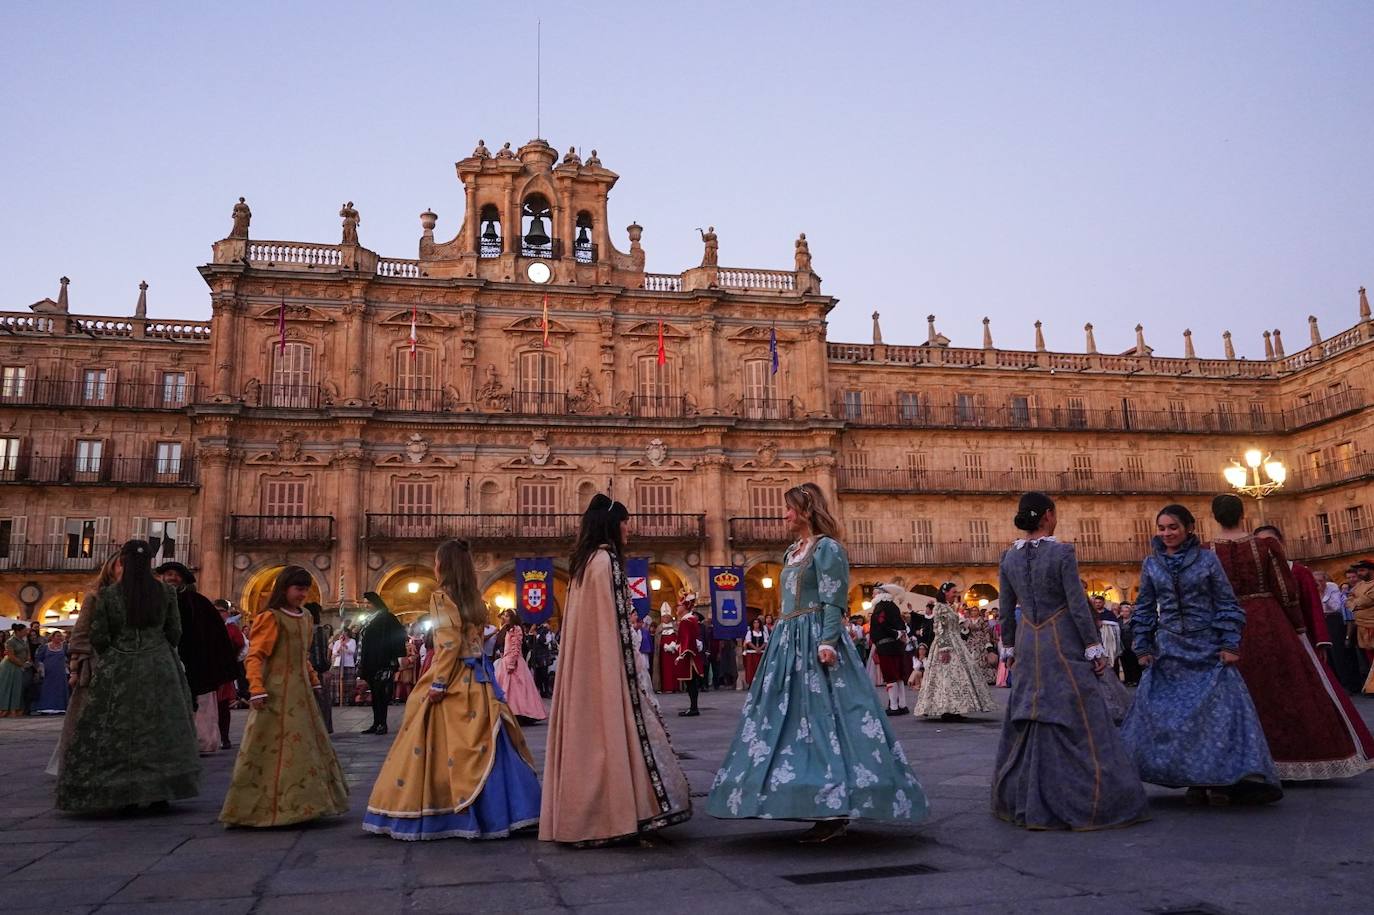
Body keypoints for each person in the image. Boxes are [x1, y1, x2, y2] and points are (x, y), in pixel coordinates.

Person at [708, 483, 928, 843]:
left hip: (814, 639)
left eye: (790, 509)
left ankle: (836, 801)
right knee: (787, 719)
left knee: (830, 719)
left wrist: (827, 641)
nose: (785, 515)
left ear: (807, 511)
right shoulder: (792, 551)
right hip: (787, 642)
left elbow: (833, 600)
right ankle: (802, 794)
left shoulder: (828, 549)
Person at [540, 494, 692, 845]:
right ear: (611, 524)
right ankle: (622, 814)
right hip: (608, 669)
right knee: (614, 734)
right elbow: (619, 626)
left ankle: (592, 815)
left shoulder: (584, 564)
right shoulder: (605, 562)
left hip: (588, 672)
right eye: (624, 521)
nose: (629, 528)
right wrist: (629, 671)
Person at [992, 492, 1148, 831]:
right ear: (1048, 516)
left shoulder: (1008, 558)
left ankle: (1025, 793)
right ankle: (1085, 798)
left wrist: (1008, 646)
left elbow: (1005, 610)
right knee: (1078, 713)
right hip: (1060, 641)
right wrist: (1093, 647)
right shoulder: (1062, 553)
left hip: (1028, 642)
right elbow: (1077, 605)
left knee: (1031, 712)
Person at [364, 540, 541, 840]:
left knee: (439, 742)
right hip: (480, 678)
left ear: (443, 565)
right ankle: (510, 809)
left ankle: (446, 808)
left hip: (455, 675)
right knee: (489, 741)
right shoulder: (475, 599)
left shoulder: (442, 597)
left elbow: (447, 643)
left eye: (436, 561)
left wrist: (438, 683)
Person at [1119, 505, 1281, 806]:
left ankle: (1219, 780)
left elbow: (1226, 602)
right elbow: (1144, 607)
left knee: (1215, 717)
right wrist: (1142, 646)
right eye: (1162, 528)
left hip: (1207, 647)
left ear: (1189, 528)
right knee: (1175, 718)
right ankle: (1191, 779)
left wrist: (1230, 644)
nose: (1167, 533)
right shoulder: (1152, 564)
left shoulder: (1208, 560)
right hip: (1170, 651)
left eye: (1173, 527)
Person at [1209, 499, 1373, 780]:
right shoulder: (1266, 547)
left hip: (1226, 624)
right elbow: (1286, 592)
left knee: (1239, 689)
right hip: (1267, 620)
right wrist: (1297, 628)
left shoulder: (1207, 552)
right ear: (1243, 515)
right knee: (1285, 687)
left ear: (1214, 517)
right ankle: (1295, 757)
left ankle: (1237, 759)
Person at [57, 540, 201, 813]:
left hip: (118, 666)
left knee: (116, 729)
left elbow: (99, 635)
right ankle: (161, 792)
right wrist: (157, 647)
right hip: (159, 665)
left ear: (123, 561)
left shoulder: (109, 595)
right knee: (161, 727)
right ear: (149, 563)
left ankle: (119, 790)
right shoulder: (166, 593)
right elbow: (175, 632)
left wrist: (114, 654)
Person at [220, 566, 348, 827]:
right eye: (298, 589)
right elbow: (256, 656)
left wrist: (313, 681)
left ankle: (306, 803)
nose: (302, 594)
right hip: (276, 692)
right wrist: (256, 688)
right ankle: (266, 806)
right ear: (285, 589)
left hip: (301, 694)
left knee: (304, 747)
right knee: (274, 746)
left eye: (305, 589)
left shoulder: (305, 618)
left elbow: (304, 656)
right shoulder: (271, 618)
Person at [157, 561, 239, 755]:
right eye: (168, 574)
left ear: (184, 579)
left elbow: (217, 635)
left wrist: (222, 667)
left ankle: (202, 743)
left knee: (201, 705)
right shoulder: (155, 601)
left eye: (176, 575)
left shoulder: (199, 603)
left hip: (197, 663)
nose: (172, 578)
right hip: (164, 661)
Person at [913, 583, 996, 720]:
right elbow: (939, 629)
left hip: (956, 642)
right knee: (947, 676)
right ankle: (948, 709)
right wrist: (944, 648)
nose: (955, 595)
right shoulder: (939, 607)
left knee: (957, 675)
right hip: (946, 644)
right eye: (953, 592)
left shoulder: (948, 607)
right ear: (945, 592)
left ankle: (955, 708)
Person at [358, 593, 408, 735]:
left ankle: (382, 724)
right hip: (371, 661)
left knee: (382, 693)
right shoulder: (370, 620)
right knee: (374, 693)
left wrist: (397, 657)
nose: (366, 606)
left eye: (368, 603)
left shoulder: (387, 618)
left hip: (382, 661)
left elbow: (399, 635)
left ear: (376, 603)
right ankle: (376, 722)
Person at [494, 609, 547, 723]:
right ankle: (510, 712)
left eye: (507, 616)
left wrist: (512, 663)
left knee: (517, 688)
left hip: (514, 662)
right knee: (508, 688)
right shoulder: (508, 629)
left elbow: (516, 647)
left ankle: (521, 712)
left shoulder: (516, 629)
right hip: (506, 660)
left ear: (513, 617)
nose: (505, 618)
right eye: (505, 616)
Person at [1315, 569, 1360, 692]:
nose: (1318, 583)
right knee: (1328, 654)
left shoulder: (1332, 588)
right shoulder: (1312, 590)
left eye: (1320, 581)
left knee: (1339, 653)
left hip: (1334, 620)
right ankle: (1337, 684)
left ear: (1325, 580)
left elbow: (1336, 607)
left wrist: (1323, 594)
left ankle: (1349, 684)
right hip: (1322, 621)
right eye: (1316, 581)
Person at [869, 597, 912, 716]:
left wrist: (895, 633)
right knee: (898, 675)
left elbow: (881, 624)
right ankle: (902, 705)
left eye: (875, 592)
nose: (873, 595)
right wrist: (899, 634)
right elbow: (902, 625)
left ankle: (893, 706)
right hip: (896, 646)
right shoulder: (894, 607)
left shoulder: (881, 608)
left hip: (885, 646)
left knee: (890, 676)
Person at [216, 601, 247, 748]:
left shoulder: (231, 628)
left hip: (224, 671)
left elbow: (240, 643)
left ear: (227, 612)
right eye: (216, 610)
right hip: (207, 671)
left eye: (221, 611)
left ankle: (224, 737)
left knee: (222, 706)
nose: (218, 613)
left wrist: (230, 655)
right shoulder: (206, 626)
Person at [305, 602, 334, 735]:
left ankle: (316, 727)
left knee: (314, 700)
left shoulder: (310, 631)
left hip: (312, 670)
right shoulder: (323, 630)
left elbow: (315, 653)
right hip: (320, 669)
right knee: (323, 701)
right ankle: (325, 726)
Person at [675, 593, 706, 716]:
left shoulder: (686, 621)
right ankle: (693, 707)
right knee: (691, 683)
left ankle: (694, 708)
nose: (677, 608)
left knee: (691, 683)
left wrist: (682, 653)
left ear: (684, 607)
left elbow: (687, 639)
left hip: (689, 656)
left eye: (678, 606)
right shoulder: (691, 619)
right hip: (691, 654)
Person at [33, 631, 69, 714]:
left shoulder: (64, 646)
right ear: (52, 637)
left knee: (60, 688)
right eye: (57, 636)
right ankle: (47, 707)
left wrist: (67, 664)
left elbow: (67, 656)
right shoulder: (45, 647)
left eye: (60, 636)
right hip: (48, 672)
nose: (59, 638)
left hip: (60, 671)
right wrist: (39, 668)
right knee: (48, 688)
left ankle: (60, 707)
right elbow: (38, 658)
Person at [0, 623, 31, 717]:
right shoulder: (10, 641)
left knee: (17, 688)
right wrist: (22, 665)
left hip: (20, 665)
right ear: (18, 631)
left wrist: (28, 660)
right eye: (25, 630)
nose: (26, 632)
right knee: (8, 687)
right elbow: (11, 656)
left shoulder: (24, 640)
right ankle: (6, 709)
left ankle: (15, 708)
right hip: (10, 666)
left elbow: (27, 651)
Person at [331, 627, 358, 706]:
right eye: (342, 633)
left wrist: (345, 646)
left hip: (348, 664)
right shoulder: (337, 642)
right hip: (338, 664)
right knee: (337, 683)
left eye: (345, 633)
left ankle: (348, 700)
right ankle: (337, 699)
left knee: (348, 683)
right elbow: (334, 653)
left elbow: (352, 652)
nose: (343, 635)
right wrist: (340, 647)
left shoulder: (352, 641)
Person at [1117, 602, 1142, 686]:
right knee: (1124, 663)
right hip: (1122, 644)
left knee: (1133, 663)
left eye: (1126, 611)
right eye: (1123, 611)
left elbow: (1136, 632)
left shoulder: (1133, 620)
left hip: (1132, 643)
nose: (1124, 613)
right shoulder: (1119, 620)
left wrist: (1135, 642)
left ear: (1130, 612)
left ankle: (1135, 679)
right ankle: (1127, 680)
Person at [742, 618, 768, 686]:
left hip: (761, 653)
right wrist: (756, 648)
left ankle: (760, 683)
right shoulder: (749, 632)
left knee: (760, 668)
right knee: (751, 668)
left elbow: (765, 642)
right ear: (752, 624)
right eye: (754, 623)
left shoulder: (763, 633)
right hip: (751, 653)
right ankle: (751, 684)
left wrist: (760, 649)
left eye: (757, 622)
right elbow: (748, 642)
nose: (756, 624)